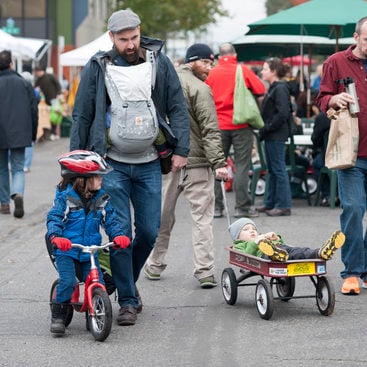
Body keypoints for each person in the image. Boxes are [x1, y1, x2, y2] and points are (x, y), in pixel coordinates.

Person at [70, 9, 190, 326]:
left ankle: (120, 280)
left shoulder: (158, 62)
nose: (130, 44)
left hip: (150, 163)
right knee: (119, 235)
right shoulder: (99, 66)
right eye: (123, 39)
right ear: (112, 38)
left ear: (140, 32)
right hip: (111, 166)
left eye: (134, 37)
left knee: (150, 232)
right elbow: (82, 115)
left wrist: (182, 149)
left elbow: (177, 105)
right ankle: (127, 300)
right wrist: (76, 163)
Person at [144, 43, 228, 288]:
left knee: (162, 217)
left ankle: (155, 264)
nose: (209, 69)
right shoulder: (200, 89)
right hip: (198, 163)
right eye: (206, 62)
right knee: (202, 219)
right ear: (193, 61)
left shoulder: (162, 84)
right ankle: (204, 270)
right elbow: (210, 130)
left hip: (167, 162)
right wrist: (219, 162)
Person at [46, 150, 130, 336]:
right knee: (68, 282)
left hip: (89, 252)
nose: (101, 180)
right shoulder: (64, 199)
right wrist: (56, 237)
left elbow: (111, 221)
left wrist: (118, 236)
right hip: (67, 250)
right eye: (98, 177)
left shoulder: (101, 199)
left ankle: (92, 314)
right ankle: (58, 316)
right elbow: (54, 218)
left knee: (99, 281)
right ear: (82, 179)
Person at [316, 16, 367, 295]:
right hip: (351, 151)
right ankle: (352, 272)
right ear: (357, 37)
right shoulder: (335, 62)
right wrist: (334, 99)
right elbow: (321, 99)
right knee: (354, 209)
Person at [205, 43, 266, 219]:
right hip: (240, 125)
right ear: (234, 54)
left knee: (217, 165)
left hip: (217, 126)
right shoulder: (243, 70)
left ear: (218, 56)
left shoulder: (212, 72)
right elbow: (261, 90)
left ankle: (217, 208)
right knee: (242, 165)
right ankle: (242, 208)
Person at [0, 50, 38, 218]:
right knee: (17, 168)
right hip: (20, 132)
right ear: (11, 64)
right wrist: (33, 133)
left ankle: (4, 204)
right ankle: (17, 193)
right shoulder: (24, 83)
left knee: (1, 169)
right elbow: (33, 110)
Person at [258, 57, 292, 216]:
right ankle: (270, 202)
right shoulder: (275, 87)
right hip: (271, 134)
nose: (262, 72)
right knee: (273, 169)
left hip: (275, 134)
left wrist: (268, 127)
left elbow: (283, 112)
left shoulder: (279, 88)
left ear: (273, 71)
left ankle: (283, 205)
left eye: (265, 69)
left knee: (278, 169)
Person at [229, 218, 345, 262]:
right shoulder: (239, 245)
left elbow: (282, 244)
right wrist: (256, 242)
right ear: (237, 237)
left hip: (282, 250)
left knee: (298, 251)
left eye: (253, 229)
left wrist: (277, 238)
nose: (252, 231)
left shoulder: (261, 237)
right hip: (262, 257)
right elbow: (247, 254)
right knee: (268, 254)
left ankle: (320, 252)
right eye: (246, 230)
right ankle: (275, 254)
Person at [34, 65, 61, 140]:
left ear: (40, 71)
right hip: (44, 101)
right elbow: (36, 88)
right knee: (46, 117)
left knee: (55, 116)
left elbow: (57, 84)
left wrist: (58, 94)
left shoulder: (50, 76)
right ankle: (47, 133)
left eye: (37, 72)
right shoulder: (38, 80)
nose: (36, 74)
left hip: (54, 98)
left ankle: (54, 133)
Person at [311, 111, 332, 206]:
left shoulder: (322, 117)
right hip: (350, 156)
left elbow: (315, 140)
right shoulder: (351, 113)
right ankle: (335, 194)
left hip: (328, 156)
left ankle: (327, 195)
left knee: (316, 163)